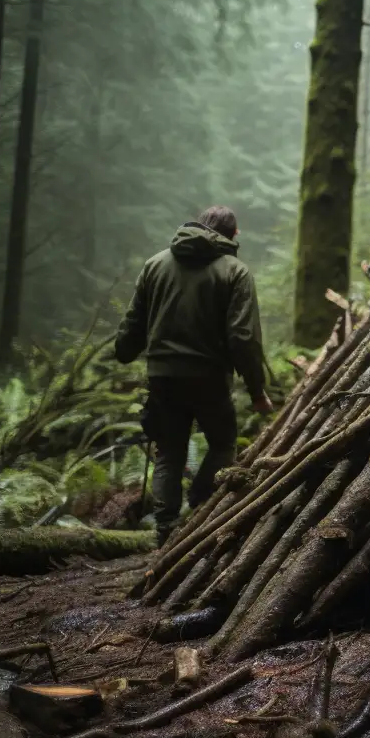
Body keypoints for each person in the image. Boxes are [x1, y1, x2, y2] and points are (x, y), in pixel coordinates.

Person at [115, 206, 271, 546]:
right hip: (209, 377)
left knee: (169, 452)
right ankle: (200, 501)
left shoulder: (155, 264)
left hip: (161, 375)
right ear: (233, 235)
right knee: (222, 443)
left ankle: (166, 529)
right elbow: (242, 338)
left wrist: (124, 351)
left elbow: (133, 323)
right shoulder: (235, 272)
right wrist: (257, 390)